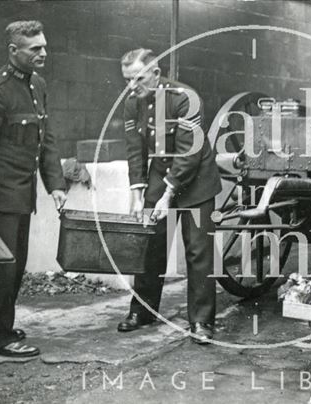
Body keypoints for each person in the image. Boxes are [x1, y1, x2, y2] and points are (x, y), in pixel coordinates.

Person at [0, 20, 67, 357]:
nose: (43, 53)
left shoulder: (38, 85)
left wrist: (56, 185)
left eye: (44, 46)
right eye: (35, 48)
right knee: (3, 269)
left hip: (23, 194)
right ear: (14, 51)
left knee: (12, 265)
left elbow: (45, 140)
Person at [118, 48, 222, 344]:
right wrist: (138, 192)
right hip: (159, 177)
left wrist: (168, 195)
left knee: (199, 253)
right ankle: (143, 311)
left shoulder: (184, 98)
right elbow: (135, 150)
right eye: (127, 80)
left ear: (155, 73)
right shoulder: (132, 103)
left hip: (197, 181)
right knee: (150, 247)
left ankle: (201, 322)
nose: (132, 86)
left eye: (138, 79)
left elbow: (188, 153)